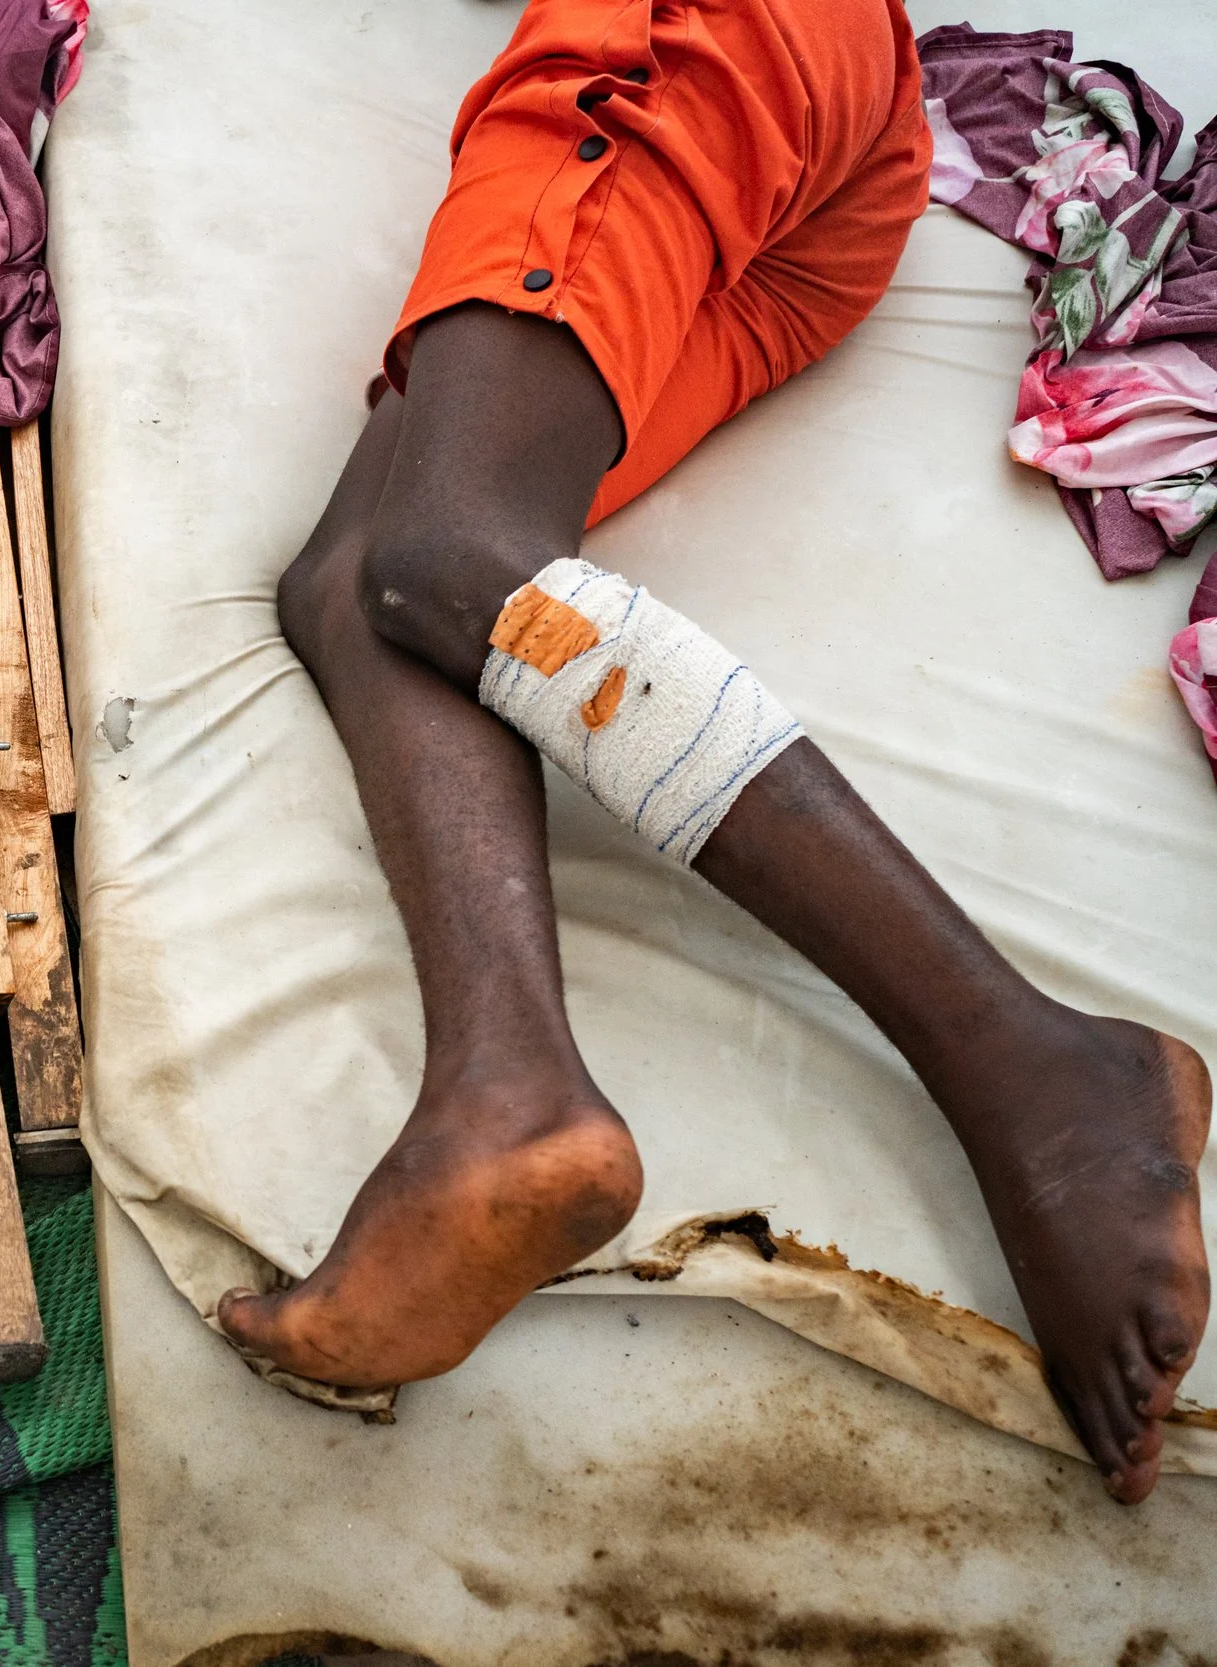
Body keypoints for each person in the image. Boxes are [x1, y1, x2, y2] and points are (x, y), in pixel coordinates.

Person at [214, 0, 1212, 1503]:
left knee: (441, 548)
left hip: (721, 40)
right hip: (793, 152)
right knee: (356, 583)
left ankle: (1042, 1065)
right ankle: (510, 1092)